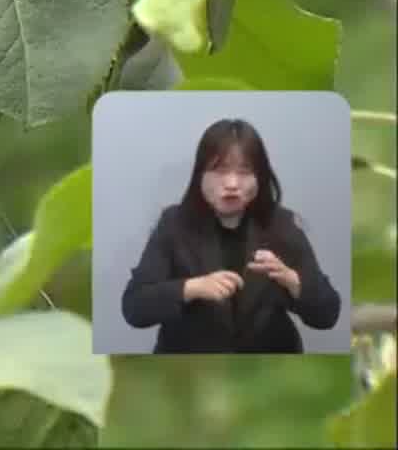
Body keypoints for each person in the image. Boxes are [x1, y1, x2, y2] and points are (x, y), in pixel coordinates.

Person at [121, 118, 341, 353]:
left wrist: (292, 281)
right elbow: (135, 307)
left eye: (245, 172)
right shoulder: (174, 224)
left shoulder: (281, 225)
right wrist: (192, 288)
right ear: (200, 176)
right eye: (220, 170)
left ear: (260, 178)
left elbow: (327, 314)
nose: (232, 183)